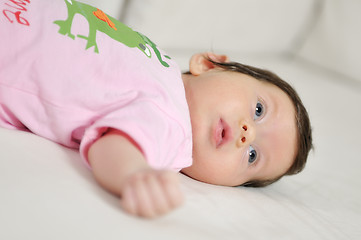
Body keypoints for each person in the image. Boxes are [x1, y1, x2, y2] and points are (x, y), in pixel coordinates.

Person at [0, 0, 312, 218]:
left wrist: (133, 173)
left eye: (253, 156)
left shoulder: (172, 129)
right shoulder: (160, 61)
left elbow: (113, 145)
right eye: (258, 109)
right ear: (209, 63)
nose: (248, 134)